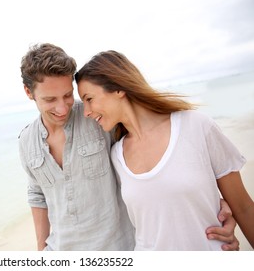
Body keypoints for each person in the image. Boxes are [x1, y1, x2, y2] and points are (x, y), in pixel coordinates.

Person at [19, 43, 239, 251]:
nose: (62, 107)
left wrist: (211, 202)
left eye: (68, 95)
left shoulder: (97, 119)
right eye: (50, 99)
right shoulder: (26, 141)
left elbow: (152, 158)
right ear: (29, 93)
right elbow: (37, 195)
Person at [75, 50, 254, 250]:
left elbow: (244, 207)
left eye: (89, 99)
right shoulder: (116, 156)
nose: (86, 112)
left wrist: (217, 207)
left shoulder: (196, 126)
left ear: (118, 88)